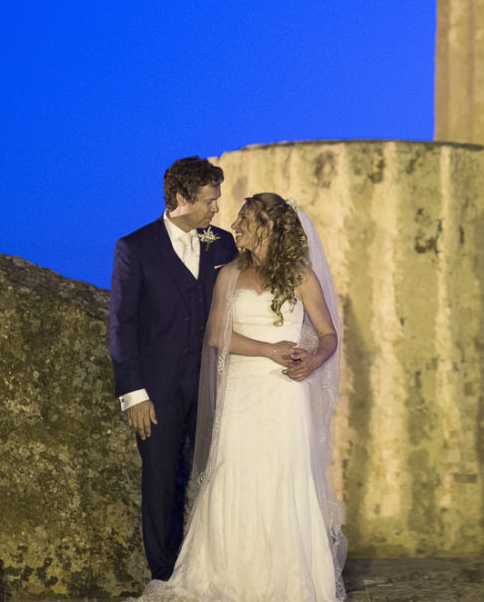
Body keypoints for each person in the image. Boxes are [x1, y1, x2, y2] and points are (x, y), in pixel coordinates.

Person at [143, 192, 347, 601]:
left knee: (283, 477)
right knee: (233, 473)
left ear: (267, 227)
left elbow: (329, 335)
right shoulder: (229, 274)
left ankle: (287, 583)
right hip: (242, 391)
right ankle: (225, 577)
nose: (234, 227)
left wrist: (314, 359)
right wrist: (270, 350)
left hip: (286, 394)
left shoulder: (301, 277)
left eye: (243, 220)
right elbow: (217, 335)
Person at [109, 157, 241, 581]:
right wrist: (134, 394)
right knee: (161, 482)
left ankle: (216, 568)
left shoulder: (222, 244)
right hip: (158, 391)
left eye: (216, 200)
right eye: (208, 201)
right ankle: (163, 577)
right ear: (181, 199)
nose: (216, 209)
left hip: (215, 385)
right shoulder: (135, 248)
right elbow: (121, 325)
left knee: (218, 476)